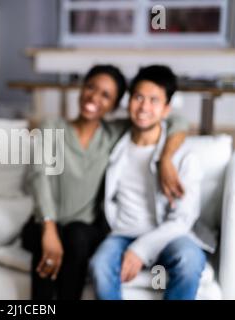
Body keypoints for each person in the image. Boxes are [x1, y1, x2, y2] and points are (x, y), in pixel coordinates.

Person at [22, 65, 189, 300]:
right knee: (46, 244)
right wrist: (48, 229)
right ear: (82, 89)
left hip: (83, 229)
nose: (94, 97)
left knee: (77, 237)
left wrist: (166, 159)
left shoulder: (114, 134)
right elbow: (39, 177)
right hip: (45, 222)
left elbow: (178, 122)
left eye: (106, 95)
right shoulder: (52, 127)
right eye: (91, 87)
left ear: (115, 105)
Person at [89, 65, 216, 300]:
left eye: (154, 100)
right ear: (128, 101)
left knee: (190, 261)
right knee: (99, 266)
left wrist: (140, 250)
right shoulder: (115, 143)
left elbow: (183, 219)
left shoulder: (183, 156)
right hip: (122, 232)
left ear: (166, 109)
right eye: (138, 97)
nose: (144, 107)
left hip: (171, 234)